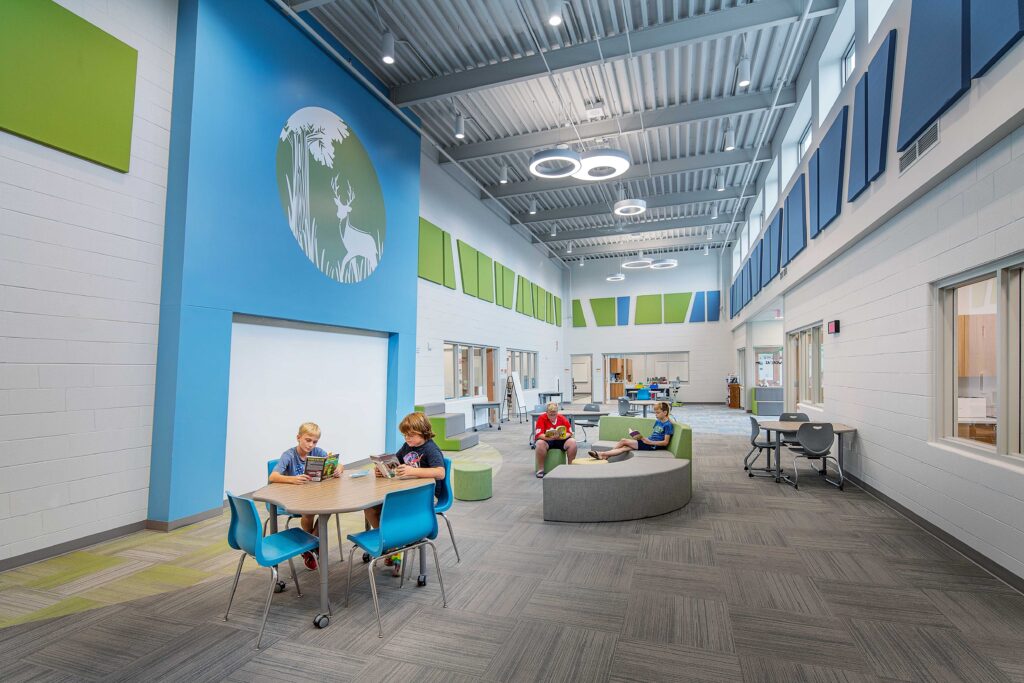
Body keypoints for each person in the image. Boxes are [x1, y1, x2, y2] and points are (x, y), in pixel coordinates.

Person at [365, 412, 446, 575]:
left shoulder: (431, 448)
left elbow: (440, 472)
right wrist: (383, 469)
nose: (407, 439)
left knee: (391, 510)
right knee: (370, 508)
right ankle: (391, 544)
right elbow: (396, 462)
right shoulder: (407, 447)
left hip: (425, 497)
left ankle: (394, 544)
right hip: (407, 491)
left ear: (423, 432)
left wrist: (412, 470)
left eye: (411, 435)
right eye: (405, 435)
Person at [269, 421, 343, 571]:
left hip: (316, 495)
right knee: (309, 513)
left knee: (331, 505)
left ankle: (310, 544)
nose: (311, 445)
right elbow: (273, 476)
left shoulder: (318, 452)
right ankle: (314, 544)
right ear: (298, 437)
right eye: (307, 440)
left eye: (314, 442)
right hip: (295, 499)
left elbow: (340, 465)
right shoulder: (289, 455)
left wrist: (338, 469)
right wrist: (292, 479)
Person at [589, 401, 673, 461]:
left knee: (623, 441)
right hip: (648, 442)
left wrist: (650, 442)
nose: (656, 414)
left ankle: (603, 454)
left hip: (652, 445)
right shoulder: (658, 421)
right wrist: (645, 439)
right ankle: (605, 456)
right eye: (655, 412)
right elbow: (655, 435)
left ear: (665, 412)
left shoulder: (667, 425)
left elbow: (665, 442)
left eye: (658, 413)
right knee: (624, 448)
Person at [534, 402, 577, 478]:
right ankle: (540, 469)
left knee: (572, 442)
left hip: (560, 440)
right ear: (547, 412)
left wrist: (562, 436)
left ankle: (571, 467)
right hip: (547, 441)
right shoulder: (542, 418)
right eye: (550, 414)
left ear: (557, 412)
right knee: (539, 443)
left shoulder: (562, 418)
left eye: (554, 414)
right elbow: (539, 434)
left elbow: (569, 432)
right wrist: (550, 437)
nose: (552, 416)